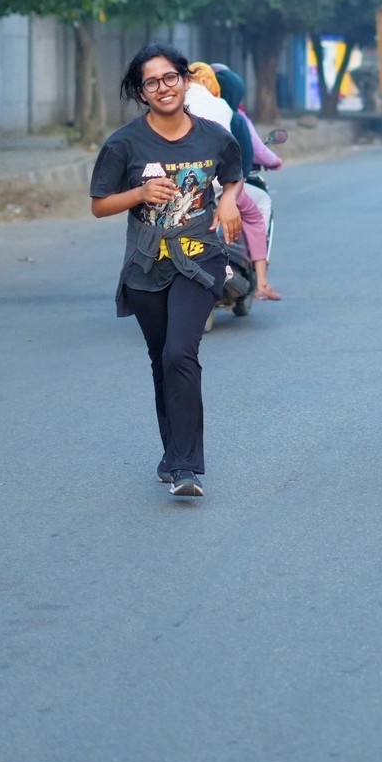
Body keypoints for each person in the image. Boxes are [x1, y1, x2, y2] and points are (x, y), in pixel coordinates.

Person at [90, 45, 244, 499]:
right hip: (146, 265)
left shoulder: (215, 136)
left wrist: (229, 200)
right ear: (141, 93)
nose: (163, 88)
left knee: (180, 354)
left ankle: (187, 467)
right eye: (151, 82)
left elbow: (234, 174)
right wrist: (139, 194)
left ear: (185, 81)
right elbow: (100, 205)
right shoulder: (124, 144)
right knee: (162, 361)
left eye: (170, 77)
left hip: (200, 260)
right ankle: (172, 453)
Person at [213, 65, 285, 301]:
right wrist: (275, 162)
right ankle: (261, 281)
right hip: (221, 187)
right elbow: (255, 152)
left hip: (185, 186)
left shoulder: (184, 113)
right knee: (259, 206)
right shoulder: (235, 117)